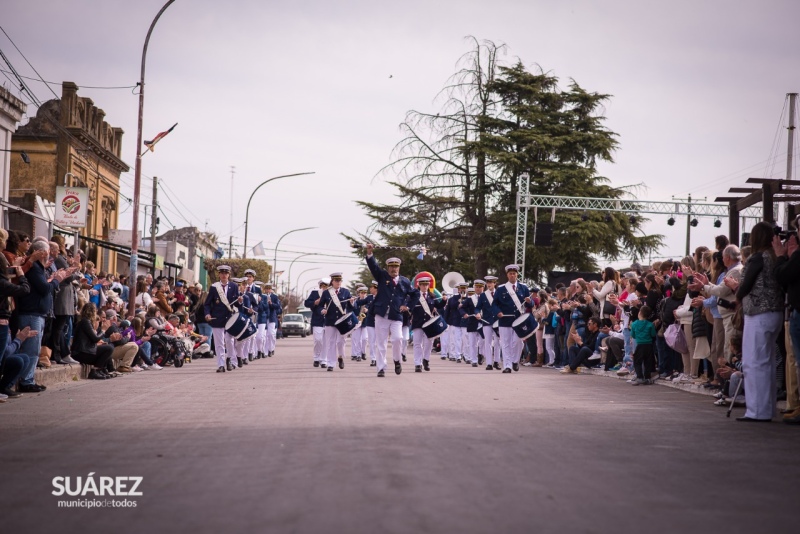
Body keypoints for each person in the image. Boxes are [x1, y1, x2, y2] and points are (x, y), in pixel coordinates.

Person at [731, 222, 784, 422]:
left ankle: (757, 411)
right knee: (768, 362)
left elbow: (747, 283)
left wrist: (737, 296)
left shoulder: (757, 257)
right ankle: (767, 408)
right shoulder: (774, 256)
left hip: (758, 313)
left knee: (754, 363)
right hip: (775, 312)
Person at [16, 240, 69, 392]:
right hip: (31, 314)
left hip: (37, 314)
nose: (49, 255)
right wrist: (57, 280)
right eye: (46, 252)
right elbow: (44, 288)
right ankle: (26, 381)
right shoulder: (35, 269)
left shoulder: (39, 268)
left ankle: (29, 378)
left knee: (34, 349)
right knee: (31, 349)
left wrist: (54, 277)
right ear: (41, 252)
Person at [365, 244, 414, 377]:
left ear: (399, 268)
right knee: (381, 343)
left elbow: (415, 294)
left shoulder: (405, 281)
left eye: (396, 266)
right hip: (381, 315)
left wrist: (408, 306)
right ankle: (381, 368)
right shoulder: (382, 276)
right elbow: (373, 267)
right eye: (391, 266)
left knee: (398, 339)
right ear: (388, 268)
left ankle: (397, 360)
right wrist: (370, 253)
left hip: (396, 315)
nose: (394, 269)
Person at [774, 232, 800, 425]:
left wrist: (782, 256)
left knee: (796, 360)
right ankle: (794, 403)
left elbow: (781, 276)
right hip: (792, 312)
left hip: (796, 311)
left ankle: (795, 403)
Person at [491, 264, 533, 374]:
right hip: (505, 319)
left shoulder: (523, 288)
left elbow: (530, 304)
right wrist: (498, 312)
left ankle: (515, 360)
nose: (512, 275)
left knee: (519, 342)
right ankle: (507, 366)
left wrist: (530, 301)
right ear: (507, 275)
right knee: (505, 343)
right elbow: (494, 304)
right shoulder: (501, 289)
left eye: (514, 273)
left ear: (517, 275)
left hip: (519, 320)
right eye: (510, 274)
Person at [204, 265, 242, 372]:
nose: (224, 275)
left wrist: (240, 301)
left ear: (229, 275)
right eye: (222, 273)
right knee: (219, 343)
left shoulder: (234, 286)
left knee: (229, 341)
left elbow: (237, 305)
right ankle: (221, 365)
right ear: (219, 274)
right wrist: (207, 314)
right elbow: (207, 304)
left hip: (230, 318)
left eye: (226, 273)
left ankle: (230, 360)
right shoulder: (214, 287)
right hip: (217, 318)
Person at [407, 276, 446, 372]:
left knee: (429, 343)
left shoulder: (432, 296)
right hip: (418, 323)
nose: (425, 287)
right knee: (417, 344)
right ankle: (417, 363)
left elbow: (439, 306)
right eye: (423, 285)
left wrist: (444, 300)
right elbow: (409, 308)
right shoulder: (414, 296)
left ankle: (426, 360)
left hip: (430, 323)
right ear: (419, 285)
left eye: (426, 285)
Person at [317, 272, 353, 372]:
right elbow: (320, 306)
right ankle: (331, 364)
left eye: (340, 280)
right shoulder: (326, 292)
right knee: (331, 342)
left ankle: (340, 356)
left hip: (342, 320)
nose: (338, 282)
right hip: (330, 320)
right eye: (336, 280)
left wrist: (351, 303)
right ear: (332, 282)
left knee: (341, 342)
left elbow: (350, 307)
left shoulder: (346, 292)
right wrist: (322, 310)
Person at [70, 303, 116, 379]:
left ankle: (100, 370)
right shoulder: (85, 322)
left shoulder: (86, 322)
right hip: (81, 353)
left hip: (85, 351)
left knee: (107, 347)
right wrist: (103, 330)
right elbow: (95, 338)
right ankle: (95, 371)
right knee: (109, 348)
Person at [476, 275, 501, 370]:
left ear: (494, 283)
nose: (489, 284)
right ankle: (489, 363)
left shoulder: (499, 293)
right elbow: (477, 307)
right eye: (488, 282)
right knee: (488, 342)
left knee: (498, 342)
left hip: (497, 321)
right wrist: (477, 313)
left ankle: (497, 362)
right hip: (486, 321)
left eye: (491, 282)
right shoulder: (483, 295)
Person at [630, 305, 657, 385]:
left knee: (637, 361)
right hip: (648, 345)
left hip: (640, 345)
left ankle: (640, 377)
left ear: (640, 313)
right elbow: (653, 334)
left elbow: (633, 335)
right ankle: (647, 377)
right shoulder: (650, 324)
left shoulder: (634, 324)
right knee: (648, 361)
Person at [305, 278, 329, 367]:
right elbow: (306, 303)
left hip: (328, 320)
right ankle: (316, 357)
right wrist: (315, 302)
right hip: (317, 320)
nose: (325, 288)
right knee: (318, 340)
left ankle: (324, 360)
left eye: (326, 286)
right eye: (323, 286)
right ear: (320, 286)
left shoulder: (332, 294)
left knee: (326, 341)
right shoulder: (315, 293)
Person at [444, 282, 468, 363]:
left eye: (464, 288)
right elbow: (451, 306)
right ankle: (458, 355)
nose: (463, 290)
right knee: (456, 339)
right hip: (456, 321)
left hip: (465, 321)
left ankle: (466, 355)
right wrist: (459, 300)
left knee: (465, 339)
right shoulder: (453, 298)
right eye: (461, 288)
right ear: (459, 289)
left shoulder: (469, 297)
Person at [263, 282, 282, 357]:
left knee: (271, 334)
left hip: (272, 317)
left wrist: (271, 303)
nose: (268, 290)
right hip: (265, 317)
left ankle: (271, 349)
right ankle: (266, 351)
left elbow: (277, 306)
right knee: (265, 335)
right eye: (266, 289)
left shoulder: (274, 297)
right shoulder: (263, 296)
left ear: (271, 290)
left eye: (269, 289)